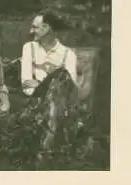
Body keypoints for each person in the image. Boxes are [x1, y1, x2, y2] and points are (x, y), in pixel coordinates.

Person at [13, 10, 80, 167]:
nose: (31, 31)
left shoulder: (68, 54)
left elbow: (71, 88)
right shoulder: (29, 48)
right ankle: (49, 147)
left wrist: (49, 85)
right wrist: (47, 87)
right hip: (36, 99)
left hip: (60, 102)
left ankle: (46, 148)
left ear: (47, 28)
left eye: (35, 27)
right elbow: (26, 82)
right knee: (59, 79)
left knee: (61, 77)